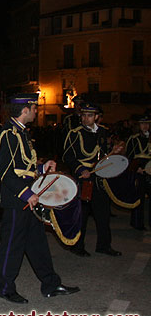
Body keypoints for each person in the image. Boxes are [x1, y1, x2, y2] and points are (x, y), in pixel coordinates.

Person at [0, 93, 79, 303]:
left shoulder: (22, 133)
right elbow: (5, 173)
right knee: (12, 245)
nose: (36, 111)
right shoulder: (9, 134)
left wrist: (42, 167)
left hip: (30, 196)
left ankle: (50, 284)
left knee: (37, 243)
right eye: (34, 108)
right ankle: (5, 288)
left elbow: (23, 167)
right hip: (18, 200)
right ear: (25, 110)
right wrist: (27, 195)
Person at [63, 103, 123, 257]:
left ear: (96, 117)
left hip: (99, 178)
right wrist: (81, 169)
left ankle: (104, 245)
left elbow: (101, 156)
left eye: (89, 115)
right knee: (81, 214)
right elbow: (68, 156)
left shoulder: (103, 131)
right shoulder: (75, 133)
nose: (85, 118)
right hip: (84, 179)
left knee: (103, 214)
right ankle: (78, 246)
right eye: (83, 115)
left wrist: (112, 152)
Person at [126, 116, 150, 230]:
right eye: (142, 124)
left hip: (149, 170)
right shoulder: (134, 139)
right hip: (139, 170)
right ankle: (137, 223)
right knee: (138, 198)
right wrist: (137, 168)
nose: (145, 126)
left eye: (147, 124)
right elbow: (129, 157)